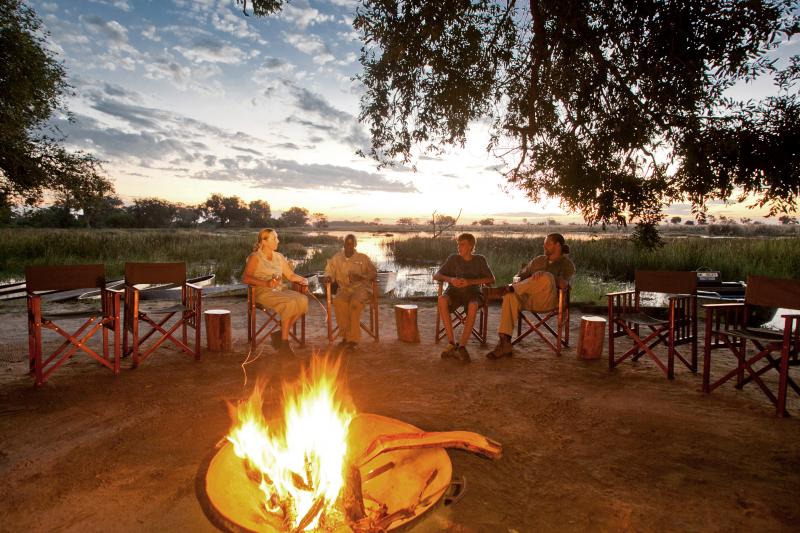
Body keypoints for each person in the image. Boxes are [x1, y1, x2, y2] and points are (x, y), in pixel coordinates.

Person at [487, 233, 575, 358]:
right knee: (509, 296)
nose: (545, 246)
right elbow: (519, 276)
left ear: (558, 245)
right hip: (528, 299)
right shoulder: (538, 260)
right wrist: (522, 280)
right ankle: (504, 343)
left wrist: (545, 275)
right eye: (544, 244)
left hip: (549, 300)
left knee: (546, 277)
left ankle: (504, 290)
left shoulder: (567, 265)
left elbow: (565, 285)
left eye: (548, 244)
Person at [242, 228, 309, 356]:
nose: (278, 240)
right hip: (262, 291)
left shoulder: (279, 257)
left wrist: (303, 279)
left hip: (279, 290)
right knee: (290, 303)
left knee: (302, 300)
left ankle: (281, 333)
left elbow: (290, 275)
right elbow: (246, 278)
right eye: (274, 238)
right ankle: (284, 344)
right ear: (264, 241)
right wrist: (266, 283)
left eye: (277, 238)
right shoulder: (255, 257)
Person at [433, 233, 495, 362]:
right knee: (441, 299)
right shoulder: (453, 259)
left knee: (473, 305)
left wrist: (469, 282)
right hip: (453, 293)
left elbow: (491, 279)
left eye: (462, 244)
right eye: (458, 244)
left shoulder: (479, 260)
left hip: (473, 293)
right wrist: (451, 279)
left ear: (471, 246)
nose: (458, 247)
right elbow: (437, 275)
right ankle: (451, 342)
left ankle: (461, 346)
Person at [320, 234, 378, 351]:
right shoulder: (337, 258)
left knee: (355, 304)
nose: (349, 246)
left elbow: (373, 273)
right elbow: (329, 272)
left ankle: (353, 340)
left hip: (361, 288)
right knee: (339, 302)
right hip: (344, 289)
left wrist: (361, 277)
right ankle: (345, 337)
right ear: (344, 244)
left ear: (355, 245)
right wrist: (328, 278)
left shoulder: (363, 258)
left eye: (352, 243)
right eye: (347, 243)